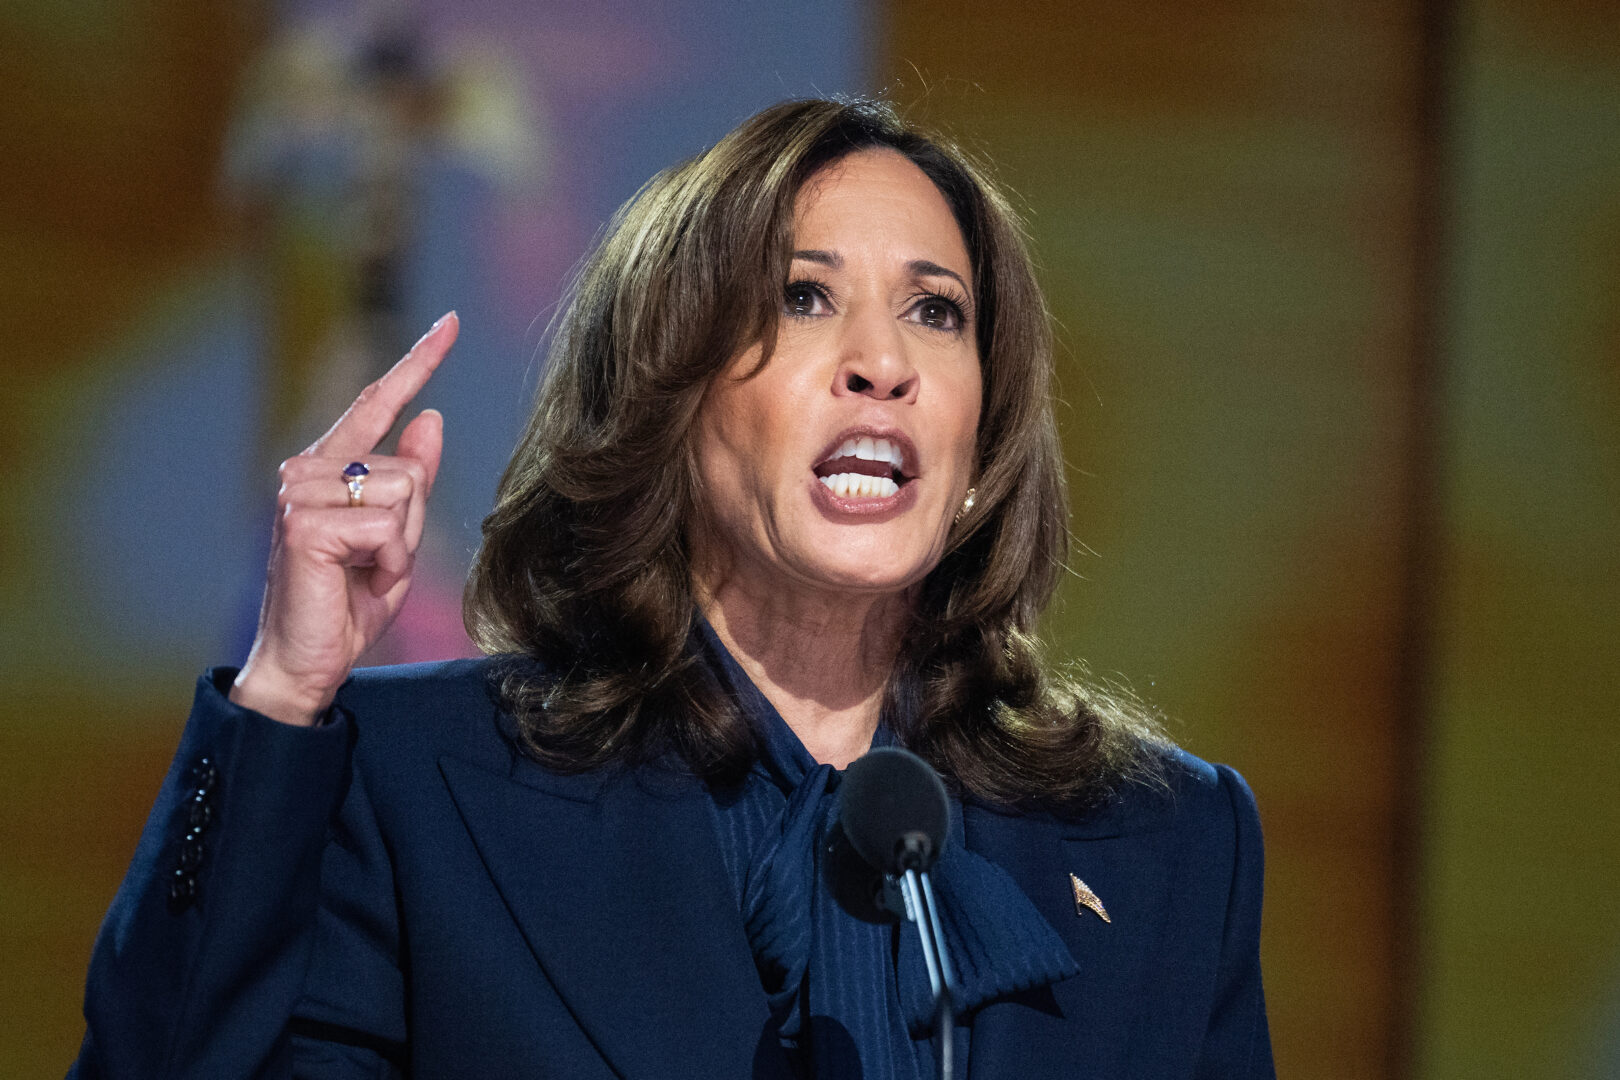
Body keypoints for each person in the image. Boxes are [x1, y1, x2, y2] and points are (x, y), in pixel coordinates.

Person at [69, 97, 1273, 1080]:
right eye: (804, 297)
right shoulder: (417, 791)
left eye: (936, 312)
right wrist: (281, 696)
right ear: (669, 400)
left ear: (982, 437)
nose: (884, 365)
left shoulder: (1167, 847)